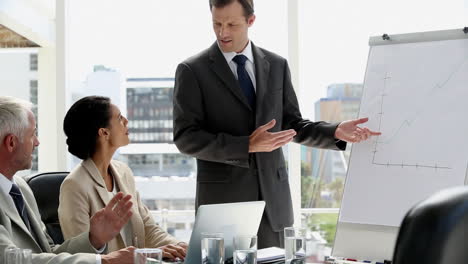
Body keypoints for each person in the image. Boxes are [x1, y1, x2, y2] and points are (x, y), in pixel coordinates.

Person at [173, 0, 381, 248]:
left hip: (274, 205)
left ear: (251, 21)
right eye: (216, 23)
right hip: (223, 205)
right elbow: (185, 137)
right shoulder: (192, 70)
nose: (223, 32)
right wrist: (246, 145)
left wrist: (334, 131)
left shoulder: (277, 65)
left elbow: (293, 124)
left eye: (232, 24)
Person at [0, 95, 136, 264]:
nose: (37, 142)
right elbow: (8, 259)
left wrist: (93, 239)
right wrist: (103, 261)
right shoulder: (74, 184)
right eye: (32, 134)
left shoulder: (21, 188)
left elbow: (49, 252)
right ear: (11, 143)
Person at [59, 96, 187, 260]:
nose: (126, 121)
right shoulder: (74, 186)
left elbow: (148, 228)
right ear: (104, 132)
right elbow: (81, 256)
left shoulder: (123, 172)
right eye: (119, 118)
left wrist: (180, 247)